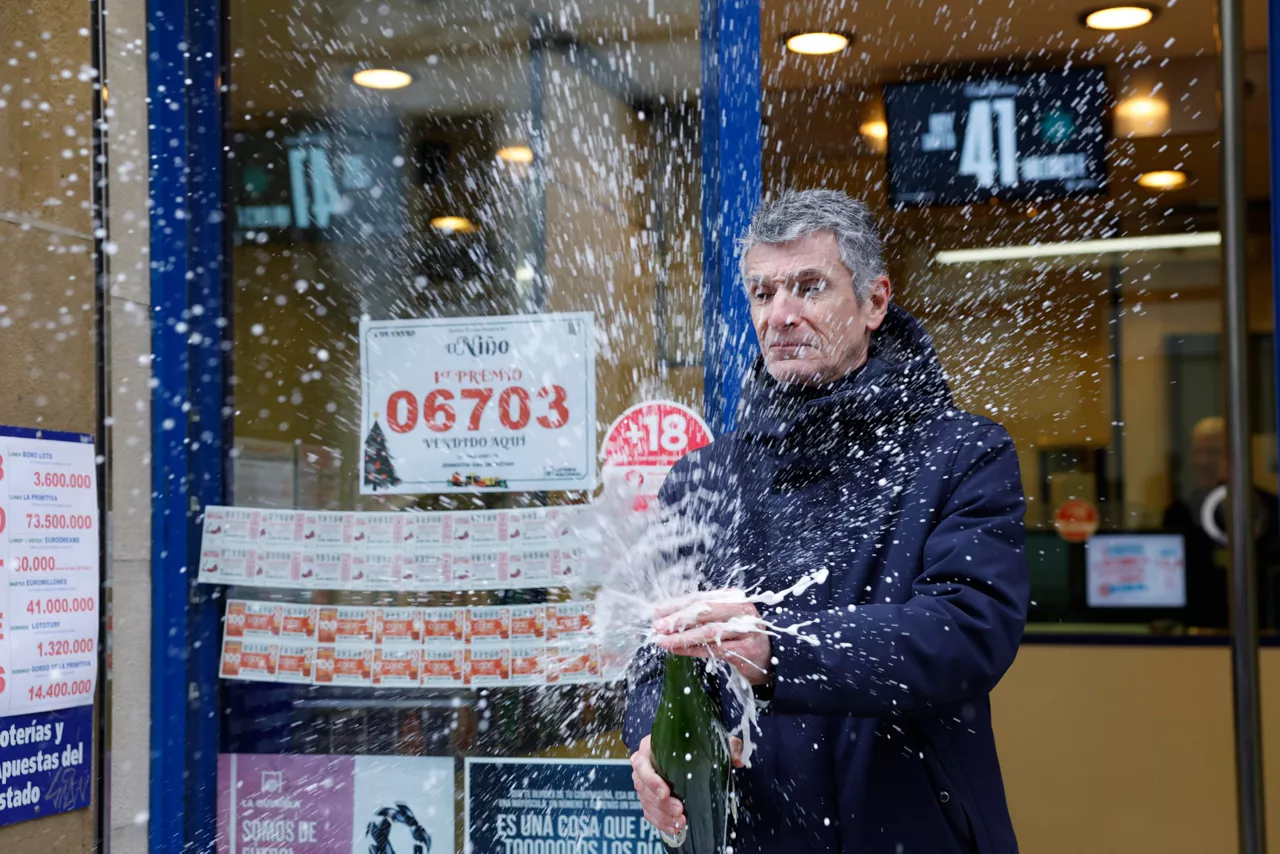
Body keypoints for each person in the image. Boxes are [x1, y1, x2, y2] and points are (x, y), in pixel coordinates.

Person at [624, 189, 1029, 854]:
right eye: (762, 293)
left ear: (874, 302)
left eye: (809, 287)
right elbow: (650, 661)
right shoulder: (701, 480)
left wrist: (777, 646)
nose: (780, 315)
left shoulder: (962, 453)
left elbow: (965, 632)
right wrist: (651, 741)